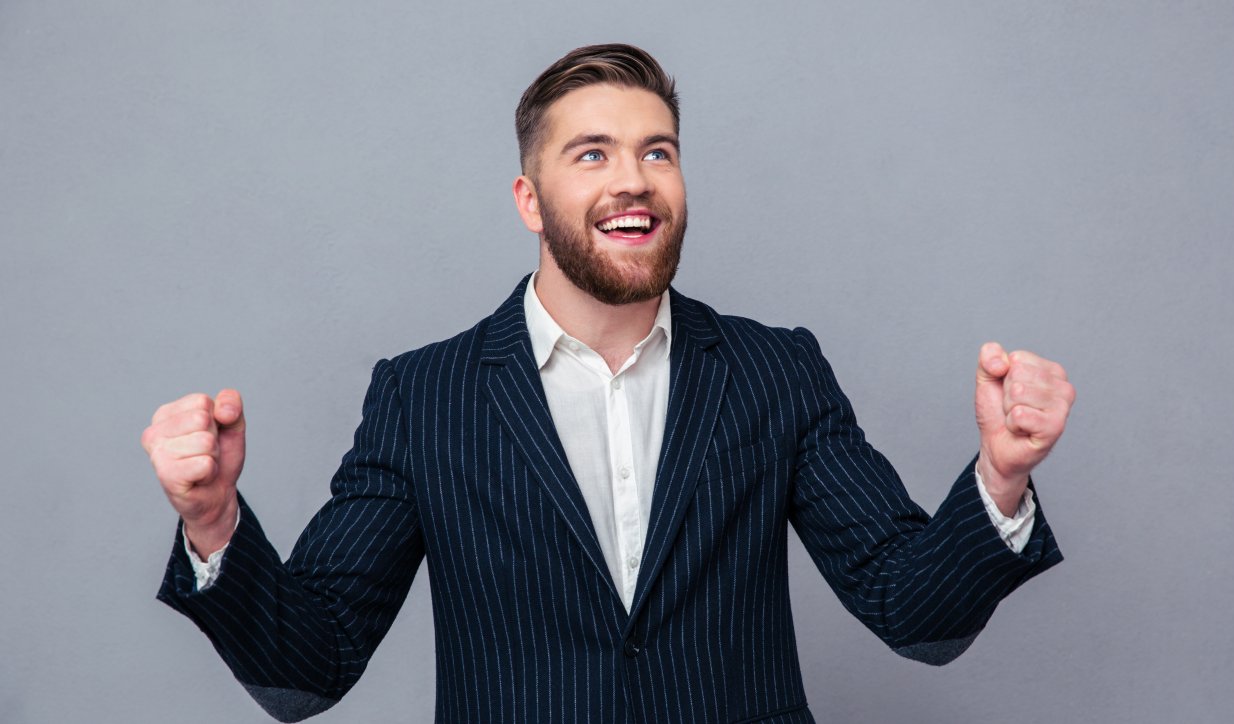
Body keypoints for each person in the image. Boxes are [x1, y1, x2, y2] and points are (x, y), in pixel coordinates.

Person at [143, 44, 1075, 724]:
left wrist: (1000, 479)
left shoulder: (775, 371)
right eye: (591, 154)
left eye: (657, 151)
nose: (633, 181)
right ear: (528, 200)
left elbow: (916, 613)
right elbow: (312, 666)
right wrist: (214, 525)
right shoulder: (423, 398)